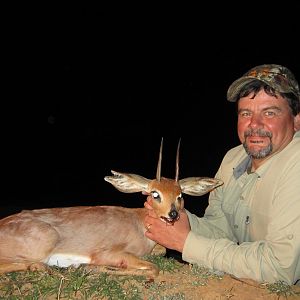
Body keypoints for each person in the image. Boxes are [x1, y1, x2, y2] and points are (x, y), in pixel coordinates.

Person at [144, 64, 300, 285]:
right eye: (246, 113)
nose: (254, 124)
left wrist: (186, 243)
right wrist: (179, 218)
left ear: (296, 120)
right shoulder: (233, 159)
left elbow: (279, 268)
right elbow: (221, 230)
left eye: (270, 112)